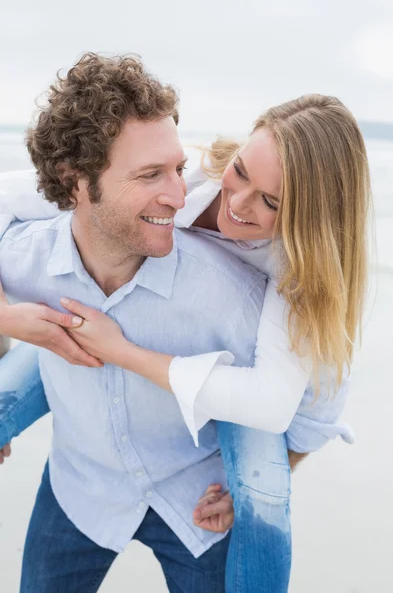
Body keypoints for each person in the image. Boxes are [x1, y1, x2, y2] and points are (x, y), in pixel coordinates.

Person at [0, 59, 371, 592]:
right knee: (46, 345)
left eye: (271, 202)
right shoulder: (187, 176)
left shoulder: (293, 276)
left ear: (306, 219)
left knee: (263, 498)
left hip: (236, 412)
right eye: (241, 173)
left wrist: (122, 350)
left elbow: (290, 403)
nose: (236, 204)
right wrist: (8, 320)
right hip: (83, 458)